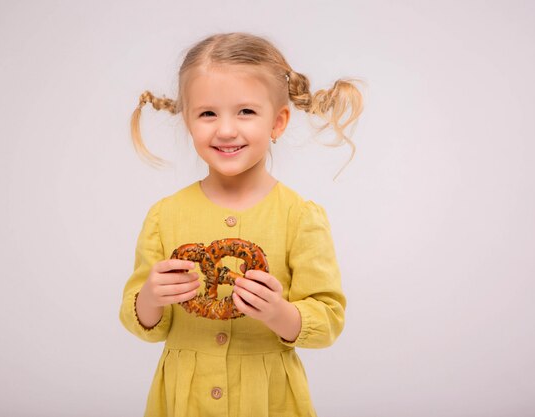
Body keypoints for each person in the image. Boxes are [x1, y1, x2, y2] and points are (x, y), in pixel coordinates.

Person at [119, 32, 364, 417]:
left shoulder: (300, 217)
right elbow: (143, 322)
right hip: (185, 399)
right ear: (188, 121)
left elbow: (329, 318)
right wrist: (150, 297)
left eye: (246, 112)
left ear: (278, 122)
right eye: (208, 113)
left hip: (267, 399)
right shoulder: (164, 216)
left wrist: (279, 313)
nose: (226, 130)